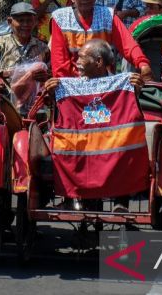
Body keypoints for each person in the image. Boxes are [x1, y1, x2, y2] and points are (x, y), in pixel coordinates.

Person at [45, 40, 144, 211]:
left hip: (113, 143)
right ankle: (80, 201)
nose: (77, 63)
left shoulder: (123, 83)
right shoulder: (68, 86)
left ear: (99, 62)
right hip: (84, 144)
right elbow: (53, 109)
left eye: (82, 58)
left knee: (125, 147)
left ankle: (121, 203)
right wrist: (50, 92)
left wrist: (136, 89)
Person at [51, 0, 152, 81]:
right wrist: (66, 86)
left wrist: (142, 63)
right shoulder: (60, 18)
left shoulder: (108, 15)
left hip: (104, 81)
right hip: (73, 82)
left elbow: (127, 43)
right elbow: (59, 60)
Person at [0, 2, 49, 83]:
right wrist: (12, 73)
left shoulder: (43, 48)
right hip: (4, 93)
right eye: (20, 21)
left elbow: (51, 75)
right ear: (9, 22)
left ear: (35, 22)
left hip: (36, 94)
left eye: (29, 20)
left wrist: (45, 76)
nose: (25, 24)